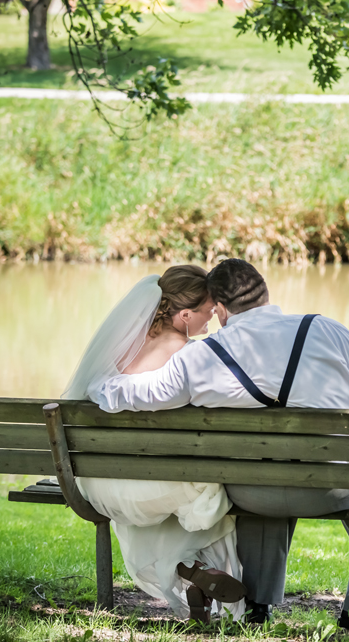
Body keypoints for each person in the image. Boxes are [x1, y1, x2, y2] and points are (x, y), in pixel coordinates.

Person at [90, 258, 349, 632]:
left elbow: (142, 393)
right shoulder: (325, 330)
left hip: (255, 490)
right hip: (337, 487)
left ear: (220, 310)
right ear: (265, 294)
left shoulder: (202, 356)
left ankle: (257, 607)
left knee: (263, 489)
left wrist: (98, 385)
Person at [61, 265, 246, 622]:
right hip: (155, 481)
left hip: (101, 483)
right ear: (186, 314)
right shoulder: (191, 359)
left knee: (165, 492)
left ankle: (189, 570)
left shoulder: (116, 351)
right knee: (208, 492)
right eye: (209, 311)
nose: (214, 318)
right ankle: (196, 570)